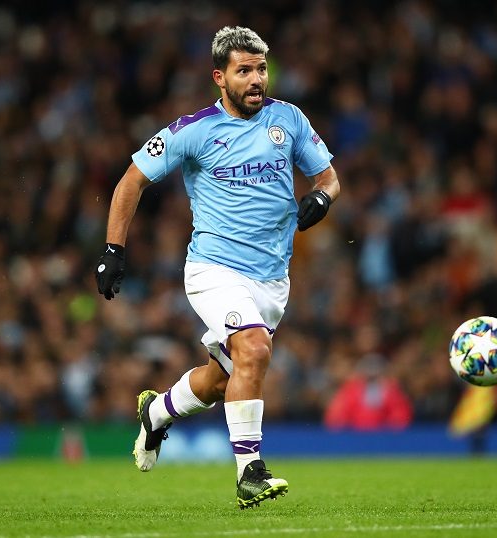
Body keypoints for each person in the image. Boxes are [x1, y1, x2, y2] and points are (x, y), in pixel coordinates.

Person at [94, 26, 340, 509]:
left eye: (261, 69)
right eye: (244, 70)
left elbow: (329, 178)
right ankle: (250, 473)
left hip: (273, 279)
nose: (256, 79)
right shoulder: (193, 130)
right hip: (214, 269)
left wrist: (321, 198)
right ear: (219, 78)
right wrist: (113, 250)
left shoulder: (288, 119)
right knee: (255, 347)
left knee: (222, 379)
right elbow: (130, 182)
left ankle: (156, 413)